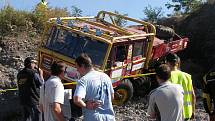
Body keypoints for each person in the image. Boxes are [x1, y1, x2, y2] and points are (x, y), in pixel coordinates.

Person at [73, 53, 115, 121]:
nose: (77, 70)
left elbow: (77, 100)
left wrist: (86, 105)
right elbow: (112, 96)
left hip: (93, 117)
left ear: (83, 66)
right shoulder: (105, 76)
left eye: (77, 67)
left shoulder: (83, 80)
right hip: (110, 117)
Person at [166, 53, 196, 120]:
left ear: (167, 62)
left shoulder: (167, 76)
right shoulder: (187, 76)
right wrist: (193, 111)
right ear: (177, 62)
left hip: (175, 114)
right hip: (188, 113)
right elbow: (193, 95)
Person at [17, 57, 44, 121]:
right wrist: (41, 74)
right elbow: (41, 83)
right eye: (34, 63)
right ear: (31, 64)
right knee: (36, 118)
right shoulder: (33, 73)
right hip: (33, 101)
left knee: (25, 118)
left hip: (23, 100)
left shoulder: (19, 74)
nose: (35, 65)